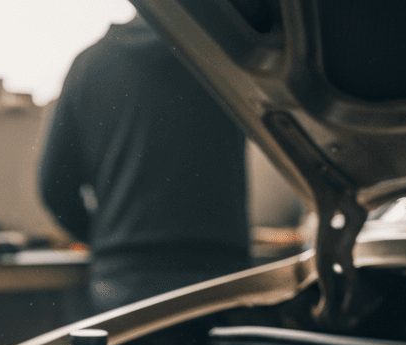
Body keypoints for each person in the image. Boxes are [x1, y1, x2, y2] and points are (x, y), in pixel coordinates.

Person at [38, 13, 249, 314]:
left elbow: (54, 185)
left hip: (125, 273)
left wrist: (106, 237)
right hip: (219, 269)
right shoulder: (227, 60)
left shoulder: (90, 64)